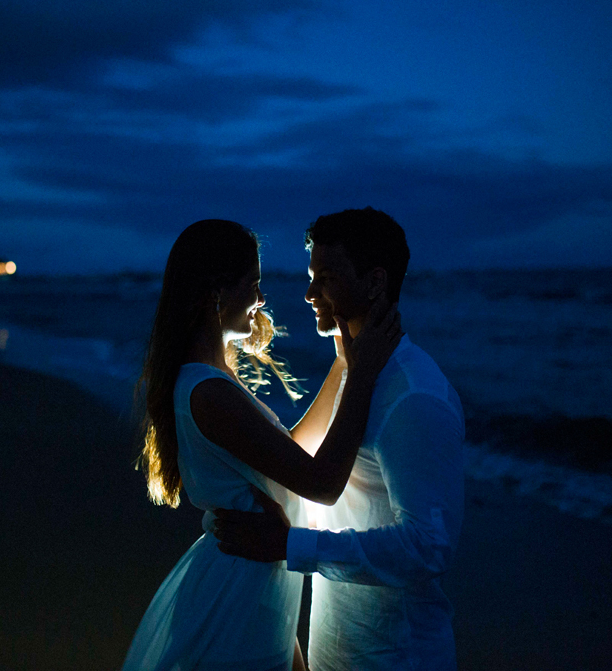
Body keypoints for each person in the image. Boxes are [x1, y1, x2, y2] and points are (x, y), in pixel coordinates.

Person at [121, 219, 402, 671]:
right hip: (238, 589)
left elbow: (284, 452)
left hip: (253, 584)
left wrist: (344, 364)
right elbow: (323, 482)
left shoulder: (209, 379)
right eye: (253, 284)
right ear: (217, 293)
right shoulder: (209, 392)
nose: (261, 299)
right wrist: (363, 378)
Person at [214, 207, 466, 670]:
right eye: (313, 277)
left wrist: (292, 547)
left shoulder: (414, 396)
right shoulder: (356, 378)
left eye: (326, 278)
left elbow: (429, 546)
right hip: (336, 650)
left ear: (374, 283)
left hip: (396, 657)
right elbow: (299, 465)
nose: (309, 293)